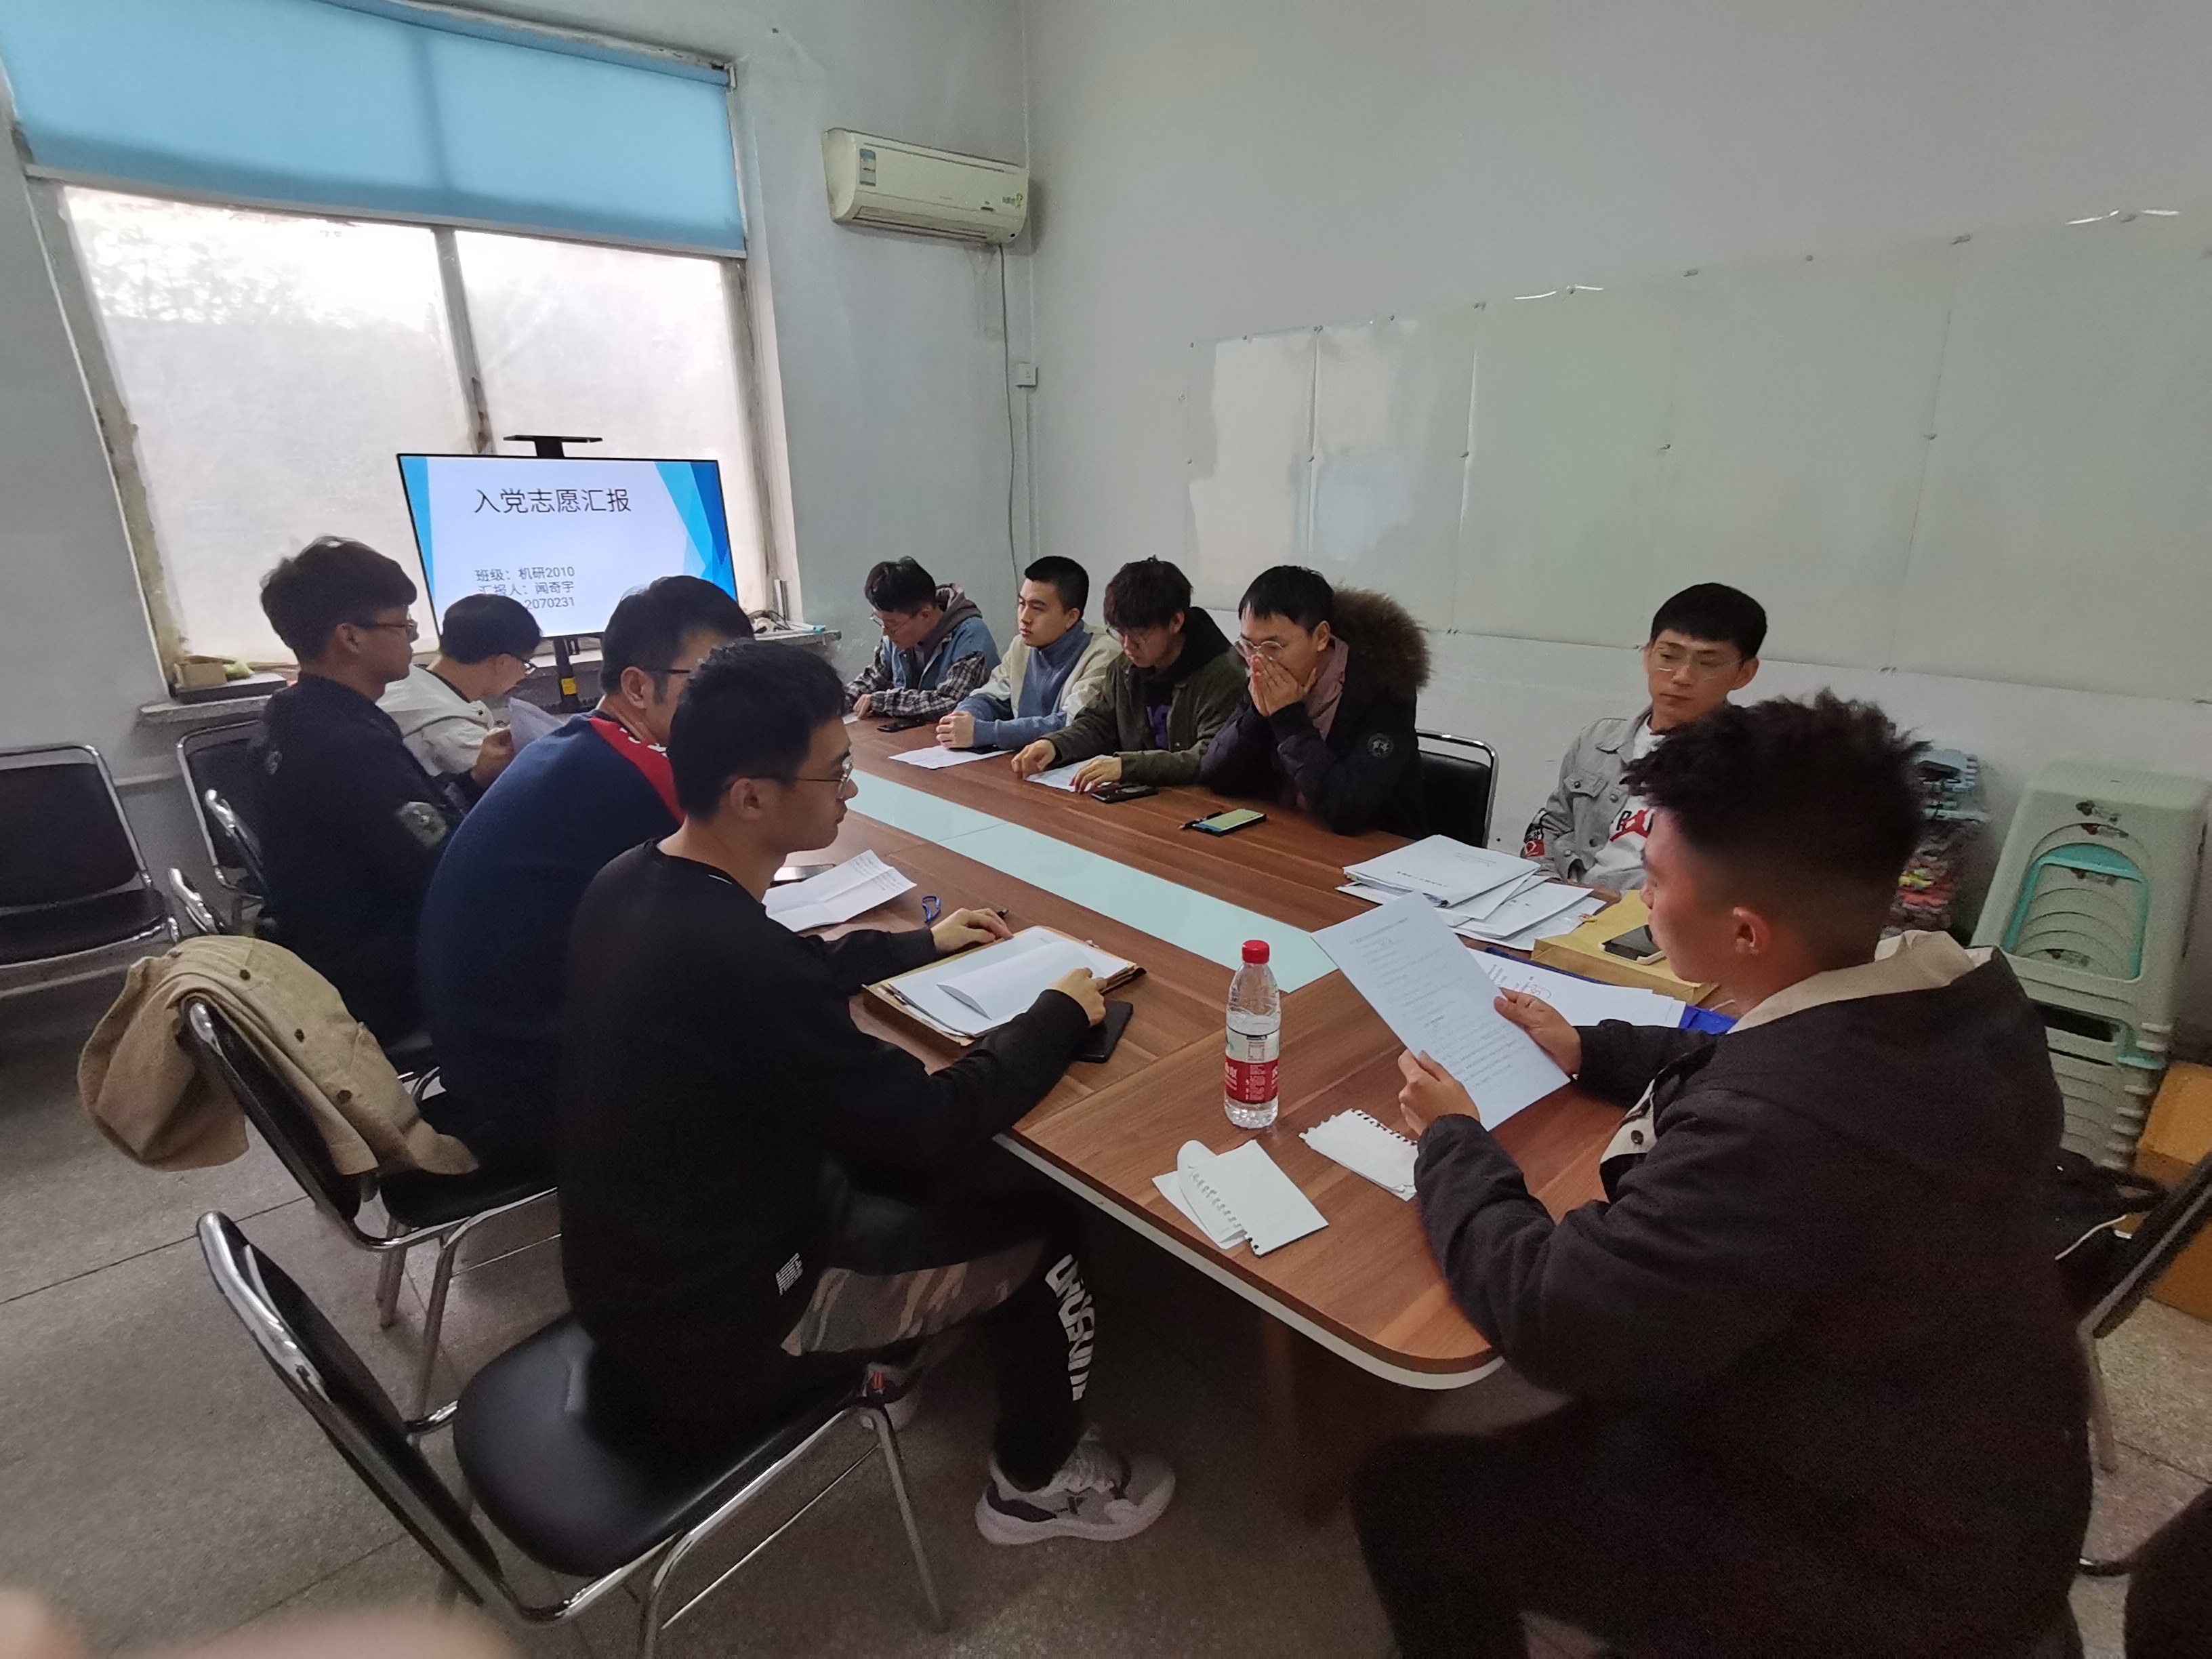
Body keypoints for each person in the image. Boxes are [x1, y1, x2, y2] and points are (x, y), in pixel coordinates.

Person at [1356, 693, 2089, 1659]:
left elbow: (1557, 1315)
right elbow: (1760, 1054)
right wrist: (1589, 1047)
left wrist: (1454, 1141)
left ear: (1745, 932)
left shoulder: (1781, 1128)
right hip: (1969, 1462)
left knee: (1408, 1496)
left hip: (1880, 1562)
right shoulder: (1958, 999)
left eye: (1655, 880)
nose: (1641, 900)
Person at [560, 640, 1176, 1544]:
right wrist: (1055, 1015)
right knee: (1046, 1228)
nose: (850, 791)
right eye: (836, 771)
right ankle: (1034, 1481)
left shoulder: (632, 882)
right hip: (731, 1327)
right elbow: (932, 1121)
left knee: (908, 1174)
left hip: (640, 1275)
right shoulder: (741, 961)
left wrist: (918, 945)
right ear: (752, 796)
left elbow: (787, 971)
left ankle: (897, 1353)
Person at [414, 575, 750, 1177]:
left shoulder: (573, 743)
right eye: (713, 682)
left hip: (481, 1057)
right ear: (638, 686)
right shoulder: (638, 778)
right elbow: (729, 938)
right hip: (545, 1088)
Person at [249, 537, 513, 1042]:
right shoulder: (344, 744)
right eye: (402, 625)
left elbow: (406, 821)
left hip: (333, 946)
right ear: (350, 637)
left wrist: (474, 780)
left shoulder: (296, 712)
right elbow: (446, 866)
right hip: (386, 979)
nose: (413, 637)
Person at [1523, 582, 1765, 889]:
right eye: (1669, 656)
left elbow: (1737, 880)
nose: (1682, 677)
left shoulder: (1751, 764)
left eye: (1708, 663)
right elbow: (1551, 824)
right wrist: (1545, 887)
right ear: (1648, 655)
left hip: (1650, 915)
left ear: (1744, 673)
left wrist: (1617, 908)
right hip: (1563, 899)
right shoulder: (1598, 740)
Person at [1198, 565, 1431, 836]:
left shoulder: (1382, 688)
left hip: (1382, 847)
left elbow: (1348, 809)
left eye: (1274, 646)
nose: (1258, 661)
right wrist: (1258, 714)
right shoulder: (1263, 672)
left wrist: (1287, 717)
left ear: (1321, 637)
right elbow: (1215, 776)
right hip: (1289, 834)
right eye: (1249, 645)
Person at [1010, 557, 1244, 794]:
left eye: (1139, 635)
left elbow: (1209, 755)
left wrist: (1127, 766)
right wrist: (1054, 745)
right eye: (1120, 633)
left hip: (1198, 801)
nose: (1127, 645)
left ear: (1175, 622)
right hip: (1142, 799)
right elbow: (1099, 724)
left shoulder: (1222, 673)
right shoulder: (1125, 667)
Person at [937, 556, 1117, 752]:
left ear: (1071, 617)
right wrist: (965, 716)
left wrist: (984, 732)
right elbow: (991, 696)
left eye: (1037, 608)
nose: (1024, 618)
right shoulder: (1021, 646)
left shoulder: (1103, 653)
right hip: (1022, 760)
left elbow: (1072, 725)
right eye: (1022, 604)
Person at [378, 592, 542, 776]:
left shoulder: (400, 681)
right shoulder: (454, 732)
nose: (524, 674)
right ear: (503, 663)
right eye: (526, 664)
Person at [842, 557, 998, 720]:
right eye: (881, 621)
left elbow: (951, 703)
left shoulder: (970, 638)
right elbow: (873, 679)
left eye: (891, 624)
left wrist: (885, 702)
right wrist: (835, 704)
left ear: (925, 615)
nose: (885, 633)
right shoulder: (896, 637)